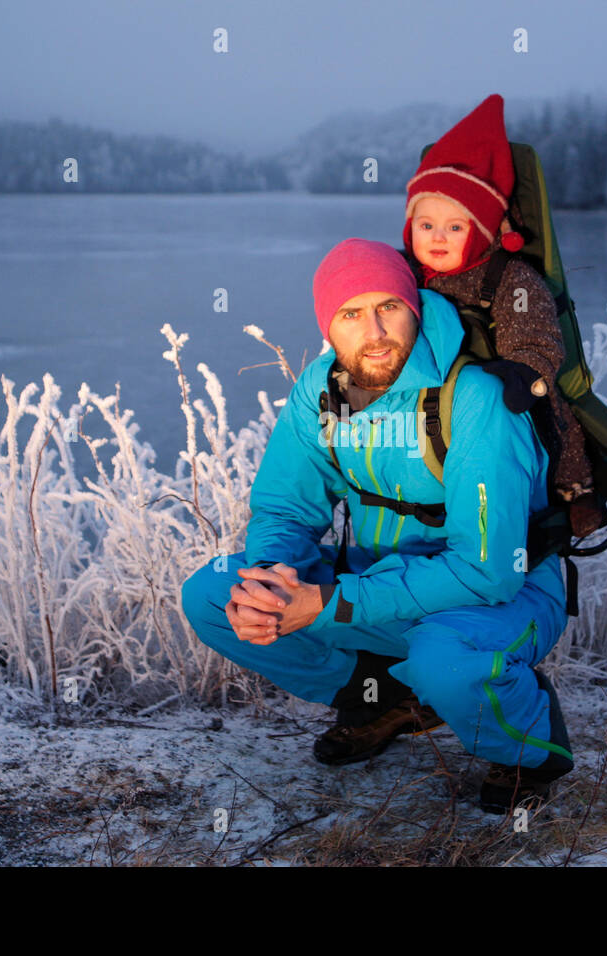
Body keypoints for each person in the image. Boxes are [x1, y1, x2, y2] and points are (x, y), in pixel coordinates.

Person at [179, 238, 574, 813]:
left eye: (388, 307)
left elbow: (489, 572)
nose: (374, 331)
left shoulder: (475, 399)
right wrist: (270, 577)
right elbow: (286, 507)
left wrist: (330, 604)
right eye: (350, 314)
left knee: (446, 657)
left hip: (499, 598)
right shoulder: (323, 390)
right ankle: (386, 695)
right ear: (328, 327)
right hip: (380, 583)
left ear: (413, 307)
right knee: (216, 594)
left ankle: (528, 746)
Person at [403, 93, 605, 535]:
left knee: (549, 405)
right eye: (425, 225)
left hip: (503, 395)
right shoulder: (406, 274)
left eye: (455, 227)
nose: (437, 237)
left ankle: (574, 489)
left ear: (483, 229)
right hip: (430, 401)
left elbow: (537, 340)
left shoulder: (510, 279)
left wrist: (518, 372)